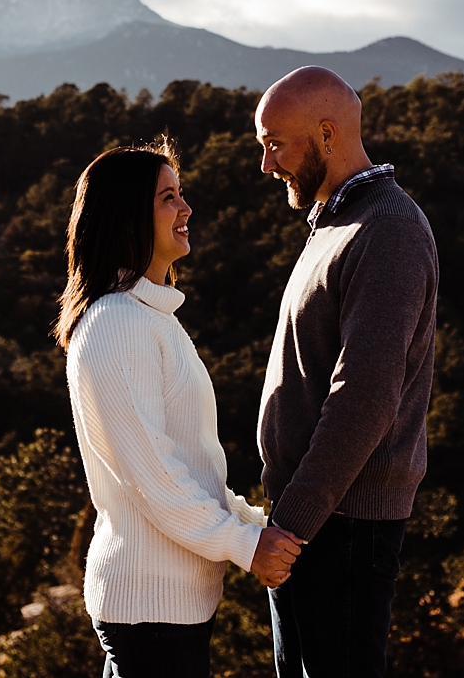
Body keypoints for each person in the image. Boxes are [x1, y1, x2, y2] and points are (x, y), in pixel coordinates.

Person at [59, 139, 309, 678]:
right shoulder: (117, 325)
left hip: (170, 607)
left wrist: (257, 524)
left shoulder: (151, 319)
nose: (186, 208)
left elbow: (195, 467)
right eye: (168, 197)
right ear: (128, 216)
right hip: (150, 611)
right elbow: (156, 478)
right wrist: (247, 544)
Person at [254, 67, 440, 678]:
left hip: (343, 526)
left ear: (328, 134)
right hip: (313, 520)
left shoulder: (388, 229)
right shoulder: (333, 223)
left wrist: (292, 524)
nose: (266, 164)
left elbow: (363, 397)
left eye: (274, 143)